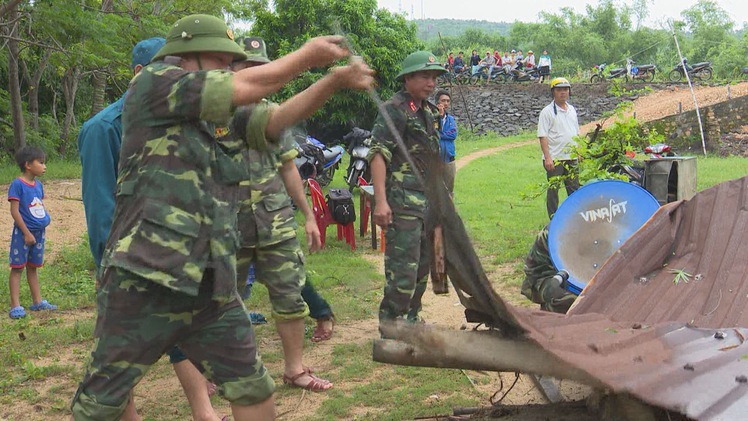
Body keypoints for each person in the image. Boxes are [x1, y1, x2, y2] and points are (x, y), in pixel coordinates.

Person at [69, 14, 374, 421]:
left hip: (210, 285)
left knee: (253, 387)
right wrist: (309, 56)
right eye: (220, 61)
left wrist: (333, 80)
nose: (228, 69)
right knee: (99, 405)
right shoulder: (153, 84)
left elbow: (278, 119)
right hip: (144, 281)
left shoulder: (222, 114)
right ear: (186, 56)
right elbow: (250, 84)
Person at [78, 37, 226, 421]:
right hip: (127, 260)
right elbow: (100, 207)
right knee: (119, 351)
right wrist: (109, 266)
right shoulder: (103, 129)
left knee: (180, 333)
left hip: (171, 252)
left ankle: (204, 412)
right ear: (140, 75)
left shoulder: (176, 120)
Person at [230, 36, 336, 391]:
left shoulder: (275, 115)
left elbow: (288, 167)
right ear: (234, 70)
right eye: (250, 67)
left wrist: (307, 214)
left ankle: (295, 369)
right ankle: (216, 369)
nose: (259, 73)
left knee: (289, 295)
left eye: (263, 66)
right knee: (222, 301)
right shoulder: (212, 112)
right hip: (227, 224)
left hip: (274, 221)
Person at [368, 51, 446, 329]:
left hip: (426, 202)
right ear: (408, 78)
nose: (431, 82)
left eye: (434, 77)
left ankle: (410, 319)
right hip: (402, 201)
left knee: (423, 266)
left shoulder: (427, 111)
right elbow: (378, 152)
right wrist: (380, 202)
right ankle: (391, 323)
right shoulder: (394, 109)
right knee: (404, 267)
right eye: (425, 76)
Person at [7, 146, 56, 320]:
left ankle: (37, 301)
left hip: (39, 233)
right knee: (18, 267)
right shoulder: (17, 184)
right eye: (41, 163)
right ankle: (15, 305)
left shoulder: (39, 185)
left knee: (33, 267)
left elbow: (38, 206)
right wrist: (26, 232)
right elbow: (15, 211)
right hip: (23, 234)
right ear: (28, 164)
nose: (45, 167)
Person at [537, 77, 580, 219]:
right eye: (559, 90)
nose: (563, 93)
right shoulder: (547, 112)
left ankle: (574, 218)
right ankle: (553, 219)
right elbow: (542, 136)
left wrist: (578, 151)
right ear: (553, 92)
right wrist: (548, 157)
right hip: (555, 159)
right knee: (553, 190)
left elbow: (576, 132)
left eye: (565, 90)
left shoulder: (572, 110)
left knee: (574, 190)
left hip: (571, 157)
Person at [520, 224, 577, 313]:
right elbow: (535, 272)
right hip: (544, 277)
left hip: (588, 279)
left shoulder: (602, 228)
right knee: (570, 300)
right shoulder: (554, 231)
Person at [436, 90, 458, 194]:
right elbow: (432, 133)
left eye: (448, 101)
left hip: (449, 158)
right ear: (437, 103)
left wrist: (440, 134)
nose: (446, 103)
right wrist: (439, 117)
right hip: (435, 159)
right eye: (443, 100)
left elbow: (453, 135)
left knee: (449, 190)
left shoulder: (450, 119)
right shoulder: (433, 118)